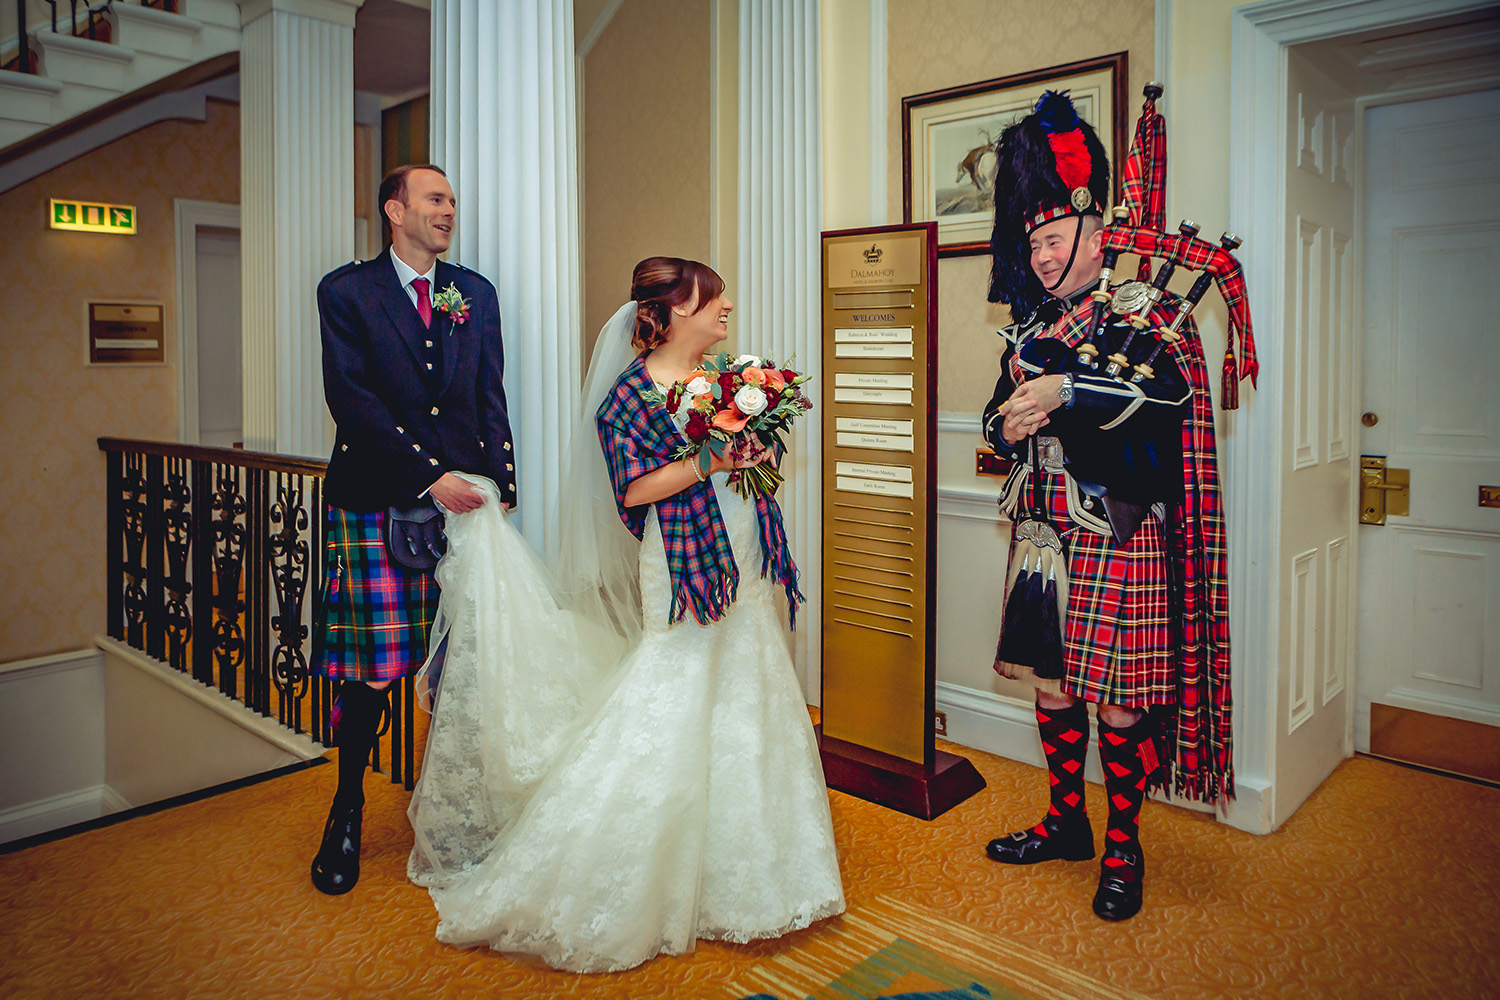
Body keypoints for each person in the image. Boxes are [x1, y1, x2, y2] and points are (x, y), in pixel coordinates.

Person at [405, 256, 845, 972]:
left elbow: (741, 458)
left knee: (748, 685)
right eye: (712, 297)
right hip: (682, 559)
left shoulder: (726, 378)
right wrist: (711, 461)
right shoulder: (628, 398)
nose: (727, 306)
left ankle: (747, 866)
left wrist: (750, 448)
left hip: (741, 548)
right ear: (673, 311)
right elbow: (633, 491)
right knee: (675, 686)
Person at [979, 92, 1233, 921]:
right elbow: (993, 419)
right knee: (1054, 687)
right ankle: (1067, 823)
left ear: (1096, 235)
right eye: (1033, 244)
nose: (1041, 256)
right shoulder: (1028, 327)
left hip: (1116, 528)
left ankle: (1125, 847)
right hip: (1043, 530)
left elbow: (1167, 401)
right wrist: (1007, 421)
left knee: (1121, 699)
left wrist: (1070, 391)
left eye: (1053, 240)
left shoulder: (1149, 316)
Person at [309, 163, 516, 896]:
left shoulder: (474, 293)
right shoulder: (346, 292)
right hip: (375, 500)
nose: (448, 210)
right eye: (434, 199)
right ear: (395, 211)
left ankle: (453, 814)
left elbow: (489, 394)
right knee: (372, 670)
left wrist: (502, 487)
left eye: (452, 200)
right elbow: (351, 399)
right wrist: (430, 477)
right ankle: (347, 809)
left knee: (462, 668)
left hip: (465, 509)